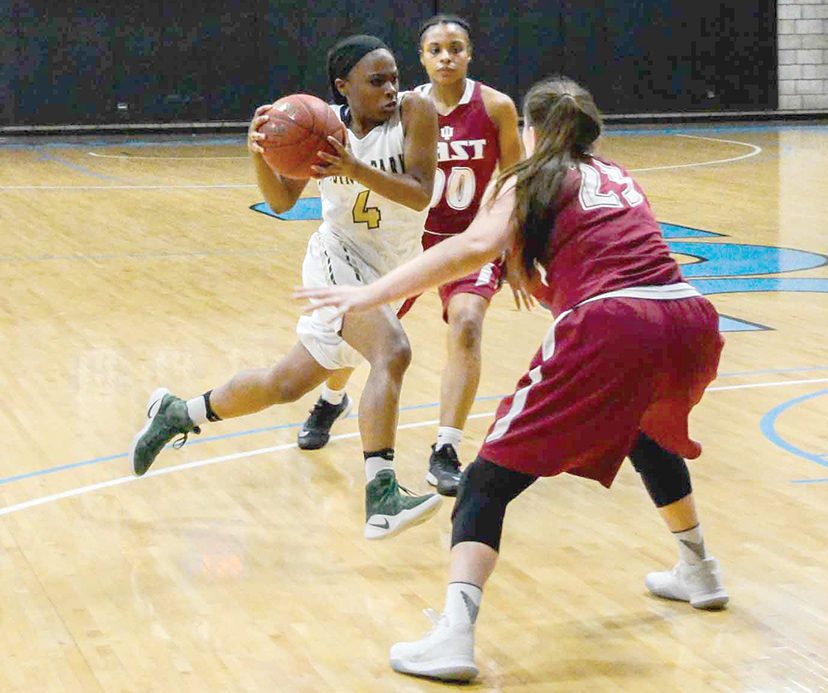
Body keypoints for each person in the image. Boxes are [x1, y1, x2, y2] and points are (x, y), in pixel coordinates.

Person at [294, 76, 729, 681]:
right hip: (692, 320)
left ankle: (453, 637)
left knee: (484, 483)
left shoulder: (528, 179)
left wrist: (370, 292)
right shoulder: (617, 174)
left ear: (531, 132)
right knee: (646, 433)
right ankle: (699, 570)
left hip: (618, 325)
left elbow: (469, 248)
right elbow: (604, 250)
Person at [128, 35, 444, 541]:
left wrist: (354, 169)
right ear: (343, 86)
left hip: (389, 274)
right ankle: (381, 495)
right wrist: (258, 151)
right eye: (376, 80)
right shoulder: (322, 128)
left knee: (285, 384)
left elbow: (419, 192)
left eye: (394, 78)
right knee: (393, 351)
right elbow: (279, 200)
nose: (391, 89)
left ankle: (177, 412)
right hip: (335, 262)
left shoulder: (416, 113)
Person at [296, 14, 525, 499]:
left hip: (467, 242)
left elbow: (516, 181)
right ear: (421, 58)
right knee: (368, 338)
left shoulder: (496, 106)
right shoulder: (403, 108)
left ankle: (445, 447)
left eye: (456, 47)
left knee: (466, 324)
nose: (447, 56)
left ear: (470, 54)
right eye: (436, 49)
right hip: (409, 243)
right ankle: (331, 397)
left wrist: (519, 246)